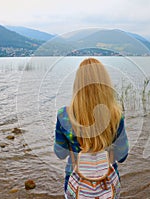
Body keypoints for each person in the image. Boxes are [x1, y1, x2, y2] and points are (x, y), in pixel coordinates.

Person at [54, 58, 129, 196]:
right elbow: (122, 156)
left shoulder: (64, 115)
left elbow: (60, 154)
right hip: (108, 184)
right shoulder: (116, 116)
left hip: (76, 185)